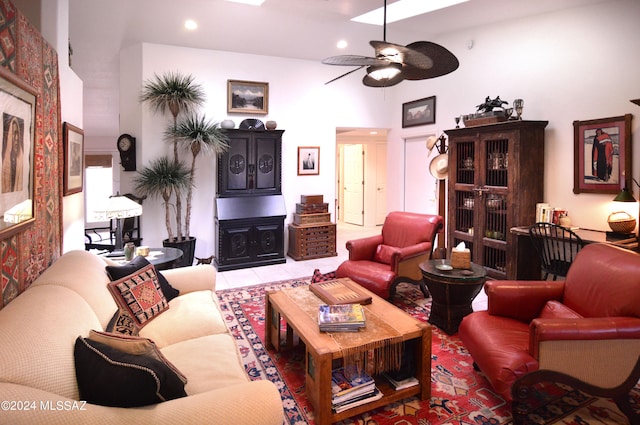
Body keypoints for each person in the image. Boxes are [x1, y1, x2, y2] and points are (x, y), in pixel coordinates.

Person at [2, 115, 24, 193]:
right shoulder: (5, 164)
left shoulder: (22, 161)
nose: (16, 138)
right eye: (14, 134)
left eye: (17, 133)